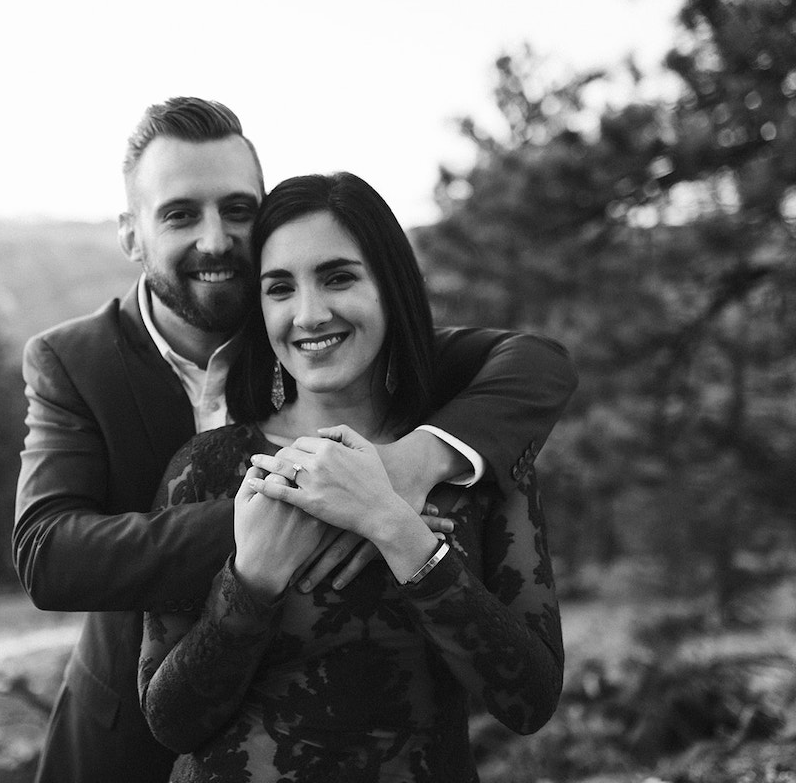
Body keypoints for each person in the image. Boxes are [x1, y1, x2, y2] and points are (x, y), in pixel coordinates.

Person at [14, 97, 576, 783]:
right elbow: (48, 553)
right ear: (132, 234)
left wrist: (400, 489)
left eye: (237, 210)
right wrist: (294, 514)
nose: (216, 240)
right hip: (118, 740)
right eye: (180, 213)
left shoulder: (437, 430)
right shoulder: (83, 368)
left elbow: (537, 364)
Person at [137, 171, 563, 781]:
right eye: (280, 288)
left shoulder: (472, 463)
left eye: (338, 277)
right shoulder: (205, 468)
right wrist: (252, 581)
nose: (309, 314)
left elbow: (529, 700)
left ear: (391, 287)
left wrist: (397, 530)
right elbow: (170, 721)